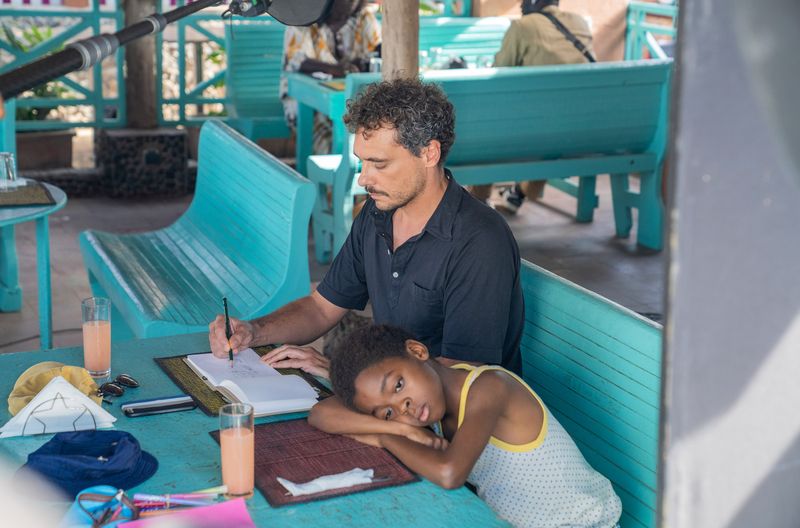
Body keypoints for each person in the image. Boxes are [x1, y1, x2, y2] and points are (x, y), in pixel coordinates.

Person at [209, 78, 524, 444]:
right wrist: (254, 331)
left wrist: (348, 377)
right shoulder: (377, 217)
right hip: (395, 410)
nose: (363, 178)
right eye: (362, 162)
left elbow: (462, 376)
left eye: (379, 164)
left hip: (460, 434)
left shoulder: (478, 240)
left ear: (429, 154)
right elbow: (321, 308)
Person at [311, 324, 622, 528]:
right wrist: (398, 429)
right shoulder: (426, 410)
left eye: (398, 385)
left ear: (418, 351)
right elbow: (321, 413)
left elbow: (449, 473)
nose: (402, 407)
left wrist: (382, 435)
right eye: (388, 413)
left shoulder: (489, 387)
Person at [471, 0, 594, 214]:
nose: (520, 6)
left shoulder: (523, 26)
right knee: (550, 124)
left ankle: (478, 199)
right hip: (579, 131)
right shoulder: (580, 23)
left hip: (533, 134)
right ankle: (519, 192)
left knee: (488, 124)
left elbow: (496, 76)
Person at [280, 0, 381, 154]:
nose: (349, 3)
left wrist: (363, 62)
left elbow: (376, 51)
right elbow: (297, 61)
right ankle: (332, 172)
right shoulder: (302, 17)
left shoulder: (363, 17)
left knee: (374, 136)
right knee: (335, 144)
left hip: (353, 103)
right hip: (308, 103)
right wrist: (338, 69)